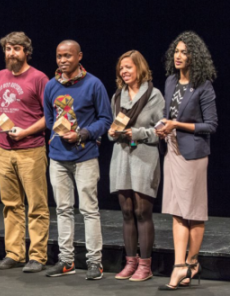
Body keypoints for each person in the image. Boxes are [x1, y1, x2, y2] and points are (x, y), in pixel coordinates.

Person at [43, 40, 112, 280]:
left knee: (89, 210)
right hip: (58, 157)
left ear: (79, 56)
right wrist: (61, 133)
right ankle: (66, 261)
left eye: (67, 56)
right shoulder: (51, 86)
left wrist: (82, 133)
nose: (62, 60)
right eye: (59, 56)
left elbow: (105, 119)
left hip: (85, 156)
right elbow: (49, 120)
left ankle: (95, 262)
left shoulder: (93, 84)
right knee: (62, 209)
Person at [155, 31, 217, 291]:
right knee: (177, 209)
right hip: (172, 151)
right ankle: (179, 264)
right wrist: (162, 126)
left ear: (194, 56)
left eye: (184, 52)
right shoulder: (170, 81)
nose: (178, 56)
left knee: (193, 212)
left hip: (193, 155)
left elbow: (211, 125)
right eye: (176, 51)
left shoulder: (204, 85)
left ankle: (192, 262)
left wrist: (177, 125)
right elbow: (167, 114)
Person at [0, 32, 50, 273]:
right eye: (7, 49)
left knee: (36, 205)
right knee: (11, 204)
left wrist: (25, 132)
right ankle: (14, 252)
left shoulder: (39, 78)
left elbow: (50, 117)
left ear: (26, 52)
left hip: (31, 149)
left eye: (16, 49)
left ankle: (38, 256)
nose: (11, 53)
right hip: (3, 148)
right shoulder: (0, 76)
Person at [106, 50, 164, 282]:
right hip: (121, 157)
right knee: (127, 212)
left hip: (144, 157)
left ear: (140, 68)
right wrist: (112, 132)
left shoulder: (153, 95)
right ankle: (130, 262)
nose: (124, 71)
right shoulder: (118, 96)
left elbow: (160, 131)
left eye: (128, 67)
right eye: (121, 68)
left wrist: (136, 132)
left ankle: (145, 265)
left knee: (142, 212)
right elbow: (113, 126)